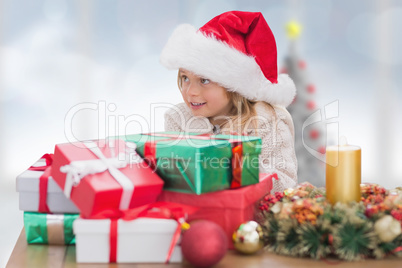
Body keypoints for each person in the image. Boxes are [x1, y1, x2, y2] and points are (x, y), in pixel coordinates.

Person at [160, 11, 297, 193]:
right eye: (185, 78)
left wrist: (232, 162)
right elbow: (172, 180)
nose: (190, 91)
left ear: (233, 86)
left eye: (204, 80)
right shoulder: (178, 119)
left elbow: (285, 183)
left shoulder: (268, 121)